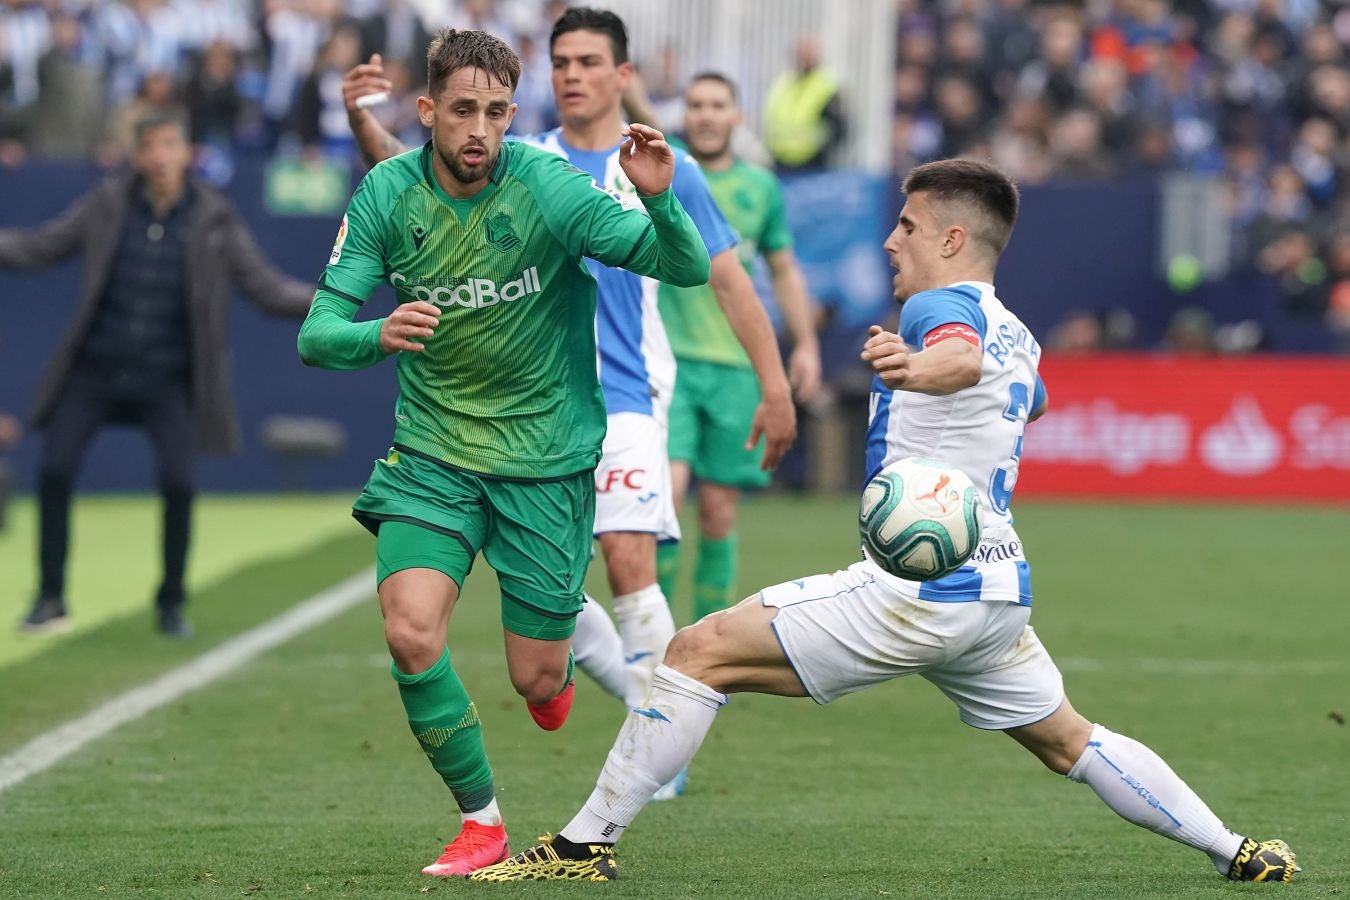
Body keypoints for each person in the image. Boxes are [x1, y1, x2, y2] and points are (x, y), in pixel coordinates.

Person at [467, 159, 1300, 885]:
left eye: (907, 226)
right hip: (996, 589)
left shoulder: (945, 316)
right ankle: (1237, 849)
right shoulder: (1021, 335)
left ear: (950, 241)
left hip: (918, 589)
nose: (891, 241)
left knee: (696, 653)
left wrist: (919, 365)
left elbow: (960, 356)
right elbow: (1020, 393)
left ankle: (583, 845)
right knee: (1067, 740)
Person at [296, 28, 710, 878]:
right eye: (461, 111)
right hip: (435, 454)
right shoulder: (385, 194)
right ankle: (479, 821)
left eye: (493, 112)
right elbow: (317, 333)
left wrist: (662, 202)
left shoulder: (550, 187)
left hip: (546, 459)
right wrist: (378, 333)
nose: (478, 128)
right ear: (427, 112)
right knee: (411, 633)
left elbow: (686, 266)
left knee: (536, 678)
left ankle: (552, 678)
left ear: (512, 116)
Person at [341, 8, 797, 717]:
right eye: (561, 63)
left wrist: (775, 384)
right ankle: (609, 694)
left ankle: (661, 736)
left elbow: (727, 280)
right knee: (556, 598)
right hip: (527, 412)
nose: (573, 75)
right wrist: (363, 122)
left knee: (628, 558)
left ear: (622, 76)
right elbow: (418, 176)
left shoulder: (658, 166)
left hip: (628, 395)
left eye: (588, 63)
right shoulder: (526, 158)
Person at [0, 113, 314, 637]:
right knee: (54, 470)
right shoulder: (107, 205)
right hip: (95, 371)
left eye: (171, 144)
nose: (162, 156)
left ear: (187, 151)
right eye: (152, 147)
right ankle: (51, 597)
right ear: (139, 156)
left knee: (179, 483)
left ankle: (171, 604)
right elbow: (40, 247)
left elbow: (265, 287)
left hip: (166, 381)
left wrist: (330, 302)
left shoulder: (213, 218)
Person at [656, 71, 821, 628]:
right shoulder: (663, 169)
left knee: (720, 513)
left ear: (736, 117)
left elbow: (783, 269)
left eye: (716, 105)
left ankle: (705, 643)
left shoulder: (761, 188)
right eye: (695, 104)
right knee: (665, 502)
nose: (704, 114)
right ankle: (649, 639)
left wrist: (806, 344)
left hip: (735, 367)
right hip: (669, 362)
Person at [762, 35, 846, 173]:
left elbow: (840, 129)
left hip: (813, 166)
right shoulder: (783, 82)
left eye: (808, 52)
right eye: (801, 52)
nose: (803, 57)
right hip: (779, 162)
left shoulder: (827, 85)